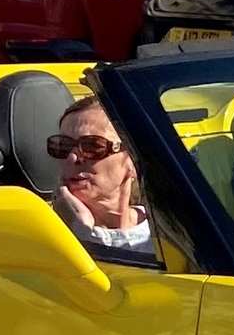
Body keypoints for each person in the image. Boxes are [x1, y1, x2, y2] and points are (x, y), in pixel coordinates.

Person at [49, 92, 155, 259]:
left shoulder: (169, 236)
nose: (72, 157)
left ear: (134, 160)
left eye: (92, 146)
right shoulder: (43, 232)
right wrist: (81, 230)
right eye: (63, 146)